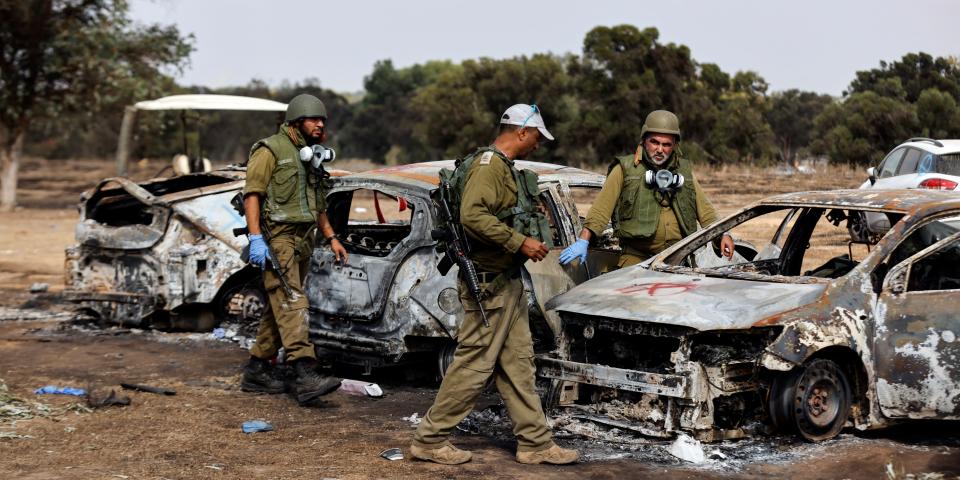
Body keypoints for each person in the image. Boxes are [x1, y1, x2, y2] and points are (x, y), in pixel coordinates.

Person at [409, 104, 579, 465]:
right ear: (521, 132)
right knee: (474, 365)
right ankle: (429, 439)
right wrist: (520, 242)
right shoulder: (488, 167)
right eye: (536, 137)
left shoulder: (502, 168)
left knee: (518, 363)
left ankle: (535, 443)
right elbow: (472, 215)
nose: (537, 145)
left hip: (506, 282)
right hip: (489, 286)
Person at [239, 93, 347, 405]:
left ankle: (258, 369)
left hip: (304, 239)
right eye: (314, 119)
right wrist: (256, 237)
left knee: (281, 307)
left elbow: (318, 203)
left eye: (323, 120)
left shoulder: (310, 155)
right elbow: (253, 195)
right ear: (297, 120)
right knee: (292, 300)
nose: (320, 124)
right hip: (278, 238)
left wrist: (331, 237)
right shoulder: (270, 149)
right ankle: (303, 370)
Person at [559, 109, 734, 268]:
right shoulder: (625, 169)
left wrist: (723, 235)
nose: (660, 149)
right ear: (644, 140)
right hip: (636, 261)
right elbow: (600, 211)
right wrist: (583, 241)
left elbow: (706, 212)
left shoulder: (684, 172)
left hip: (677, 260)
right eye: (654, 142)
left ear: (675, 146)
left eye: (666, 145)